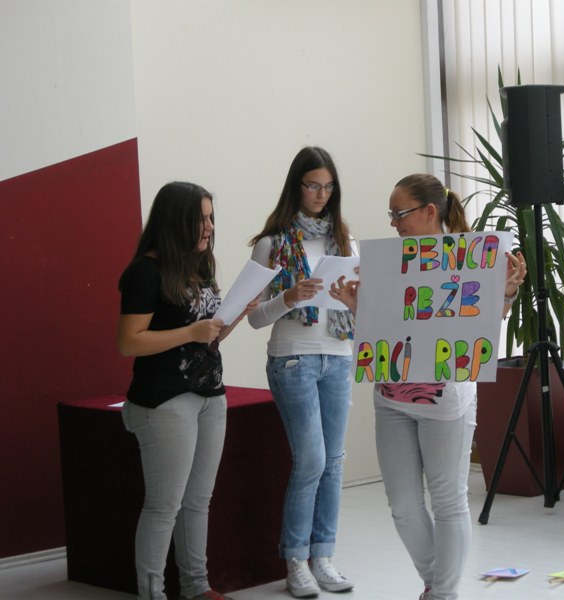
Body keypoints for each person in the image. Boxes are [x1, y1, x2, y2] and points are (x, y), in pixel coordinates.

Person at [330, 173, 526, 600]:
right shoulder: (388, 263)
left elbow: (481, 325)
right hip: (390, 396)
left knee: (448, 499)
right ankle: (438, 583)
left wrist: (506, 293)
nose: (393, 223)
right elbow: (386, 328)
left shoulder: (468, 259)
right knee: (402, 505)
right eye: (391, 214)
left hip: (445, 400)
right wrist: (356, 306)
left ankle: (441, 593)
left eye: (399, 213)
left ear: (429, 211)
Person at [117, 181, 256, 600]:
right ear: (177, 220)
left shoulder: (200, 266)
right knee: (164, 506)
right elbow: (129, 342)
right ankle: (152, 593)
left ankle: (197, 587)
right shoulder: (145, 271)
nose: (210, 226)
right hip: (164, 400)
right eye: (202, 218)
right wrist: (191, 332)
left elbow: (208, 337)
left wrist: (234, 315)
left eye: (211, 217)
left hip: (210, 395)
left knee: (198, 500)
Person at [248, 146, 356, 598]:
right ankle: (296, 560)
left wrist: (354, 298)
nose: (321, 194)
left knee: (333, 462)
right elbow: (253, 318)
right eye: (313, 185)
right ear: (297, 186)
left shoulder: (344, 241)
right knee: (311, 460)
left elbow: (361, 307)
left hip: (339, 356)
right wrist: (289, 297)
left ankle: (323, 556)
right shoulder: (272, 243)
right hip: (293, 358)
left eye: (328, 187)